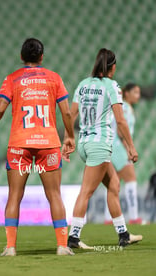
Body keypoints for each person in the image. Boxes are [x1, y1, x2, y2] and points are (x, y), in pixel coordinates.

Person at [0, 38, 76, 256]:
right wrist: (69, 135)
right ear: (42, 57)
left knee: (14, 195)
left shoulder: (12, 79)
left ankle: (11, 248)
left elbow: (1, 109)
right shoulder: (54, 78)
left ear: (22, 57)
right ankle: (62, 246)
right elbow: (67, 112)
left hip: (19, 144)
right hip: (48, 143)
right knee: (54, 195)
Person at [65, 48, 142, 248]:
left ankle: (123, 234)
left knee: (114, 185)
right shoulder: (111, 86)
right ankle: (73, 237)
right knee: (86, 191)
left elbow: (70, 115)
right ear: (113, 67)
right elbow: (120, 120)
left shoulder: (83, 84)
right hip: (99, 144)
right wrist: (131, 148)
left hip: (84, 142)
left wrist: (69, 138)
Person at [104, 83, 142, 224]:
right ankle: (134, 217)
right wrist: (128, 149)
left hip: (112, 147)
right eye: (135, 92)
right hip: (119, 147)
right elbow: (121, 131)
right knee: (131, 180)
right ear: (127, 93)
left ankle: (108, 219)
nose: (138, 95)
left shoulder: (123, 107)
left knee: (113, 183)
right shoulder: (125, 107)